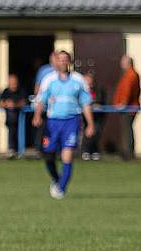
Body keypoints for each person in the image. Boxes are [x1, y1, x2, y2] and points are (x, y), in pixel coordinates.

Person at [31, 51, 94, 199]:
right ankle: (55, 178)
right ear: (56, 62)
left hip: (72, 121)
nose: (63, 62)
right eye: (60, 60)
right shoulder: (49, 80)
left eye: (66, 60)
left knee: (67, 155)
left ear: (70, 62)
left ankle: (61, 188)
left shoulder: (79, 80)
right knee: (48, 154)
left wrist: (90, 124)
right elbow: (41, 100)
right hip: (53, 122)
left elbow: (85, 104)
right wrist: (37, 115)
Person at [113, 55, 141, 160]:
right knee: (127, 129)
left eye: (123, 62)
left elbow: (127, 90)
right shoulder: (130, 74)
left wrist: (123, 103)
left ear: (128, 63)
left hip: (128, 108)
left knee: (126, 130)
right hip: (129, 107)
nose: (121, 64)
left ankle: (127, 152)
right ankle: (128, 151)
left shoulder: (131, 75)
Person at [32, 52, 56, 154]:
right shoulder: (44, 70)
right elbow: (37, 88)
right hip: (44, 106)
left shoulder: (63, 73)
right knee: (41, 127)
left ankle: (53, 148)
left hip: (56, 108)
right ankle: (39, 148)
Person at [0, 73, 27, 158]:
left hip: (21, 119)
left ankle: (20, 151)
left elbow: (24, 102)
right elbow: (0, 103)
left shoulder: (21, 90)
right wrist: (6, 104)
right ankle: (12, 150)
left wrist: (14, 105)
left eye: (15, 83)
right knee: (11, 133)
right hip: (10, 120)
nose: (14, 85)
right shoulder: (5, 91)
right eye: (12, 83)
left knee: (20, 133)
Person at [80, 73, 105, 161]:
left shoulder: (98, 90)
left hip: (97, 116)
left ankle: (94, 151)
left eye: (90, 83)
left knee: (96, 132)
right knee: (87, 133)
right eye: (87, 83)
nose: (89, 85)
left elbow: (100, 101)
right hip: (84, 116)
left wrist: (95, 104)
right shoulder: (81, 91)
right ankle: (85, 151)